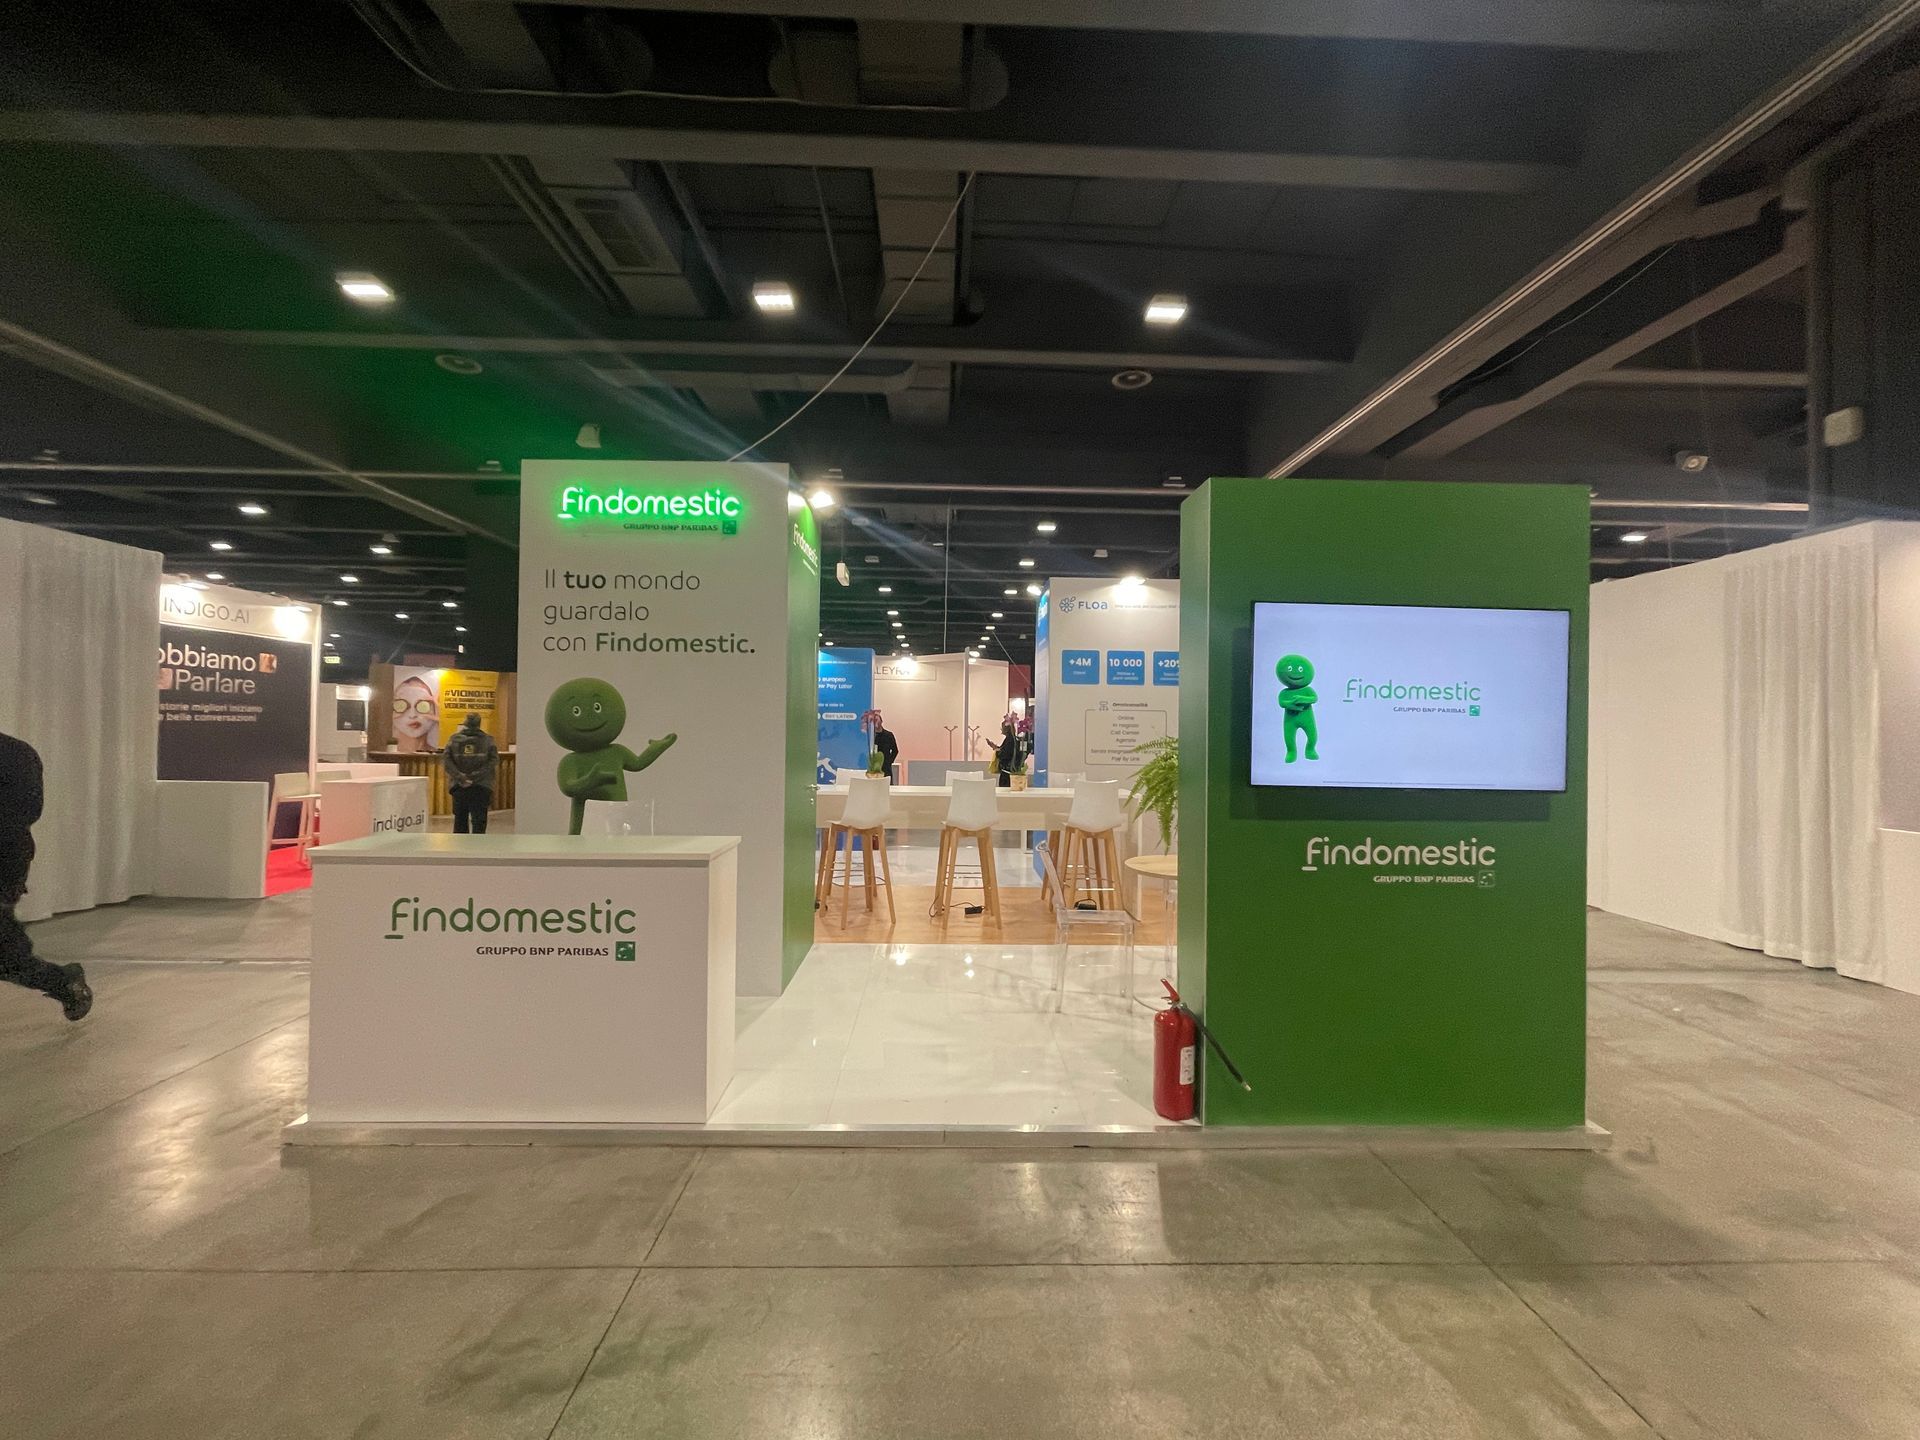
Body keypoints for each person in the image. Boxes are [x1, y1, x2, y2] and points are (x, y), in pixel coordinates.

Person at [0, 731, 91, 1021]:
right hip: (10, 852)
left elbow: (25, 811)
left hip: (5, 855)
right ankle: (62, 981)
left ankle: (62, 981)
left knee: (6, 955)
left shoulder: (15, 753)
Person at [441, 712, 499, 834]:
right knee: (479, 822)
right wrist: (474, 777)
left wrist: (461, 777)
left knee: (460, 821)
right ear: (479, 724)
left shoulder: (454, 739)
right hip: (481, 786)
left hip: (459, 786)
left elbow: (446, 761)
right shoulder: (488, 740)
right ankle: (478, 845)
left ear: (465, 723)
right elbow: (493, 761)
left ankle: (460, 845)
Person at [994, 718, 1020, 789]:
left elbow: (1005, 754)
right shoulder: (1012, 739)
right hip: (1008, 771)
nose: (1001, 730)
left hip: (1007, 772)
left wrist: (997, 752)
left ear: (1006, 729)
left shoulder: (1009, 740)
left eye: (1002, 727)